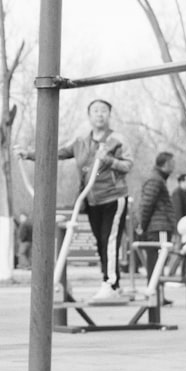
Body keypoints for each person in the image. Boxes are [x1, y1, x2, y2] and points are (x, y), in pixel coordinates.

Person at [18, 98, 133, 301]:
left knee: (110, 241)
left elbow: (127, 165)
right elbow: (57, 153)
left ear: (109, 115)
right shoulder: (81, 142)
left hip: (113, 197)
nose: (100, 114)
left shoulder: (116, 140)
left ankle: (111, 285)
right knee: (101, 243)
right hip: (91, 199)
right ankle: (111, 282)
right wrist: (28, 154)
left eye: (104, 111)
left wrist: (107, 159)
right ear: (89, 116)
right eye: (96, 111)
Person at [136, 151, 177, 288]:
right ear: (165, 164)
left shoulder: (158, 179)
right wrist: (142, 224)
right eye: (172, 163)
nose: (174, 166)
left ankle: (157, 292)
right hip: (159, 226)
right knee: (157, 261)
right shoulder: (155, 180)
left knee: (157, 261)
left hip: (158, 225)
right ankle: (155, 292)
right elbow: (147, 203)